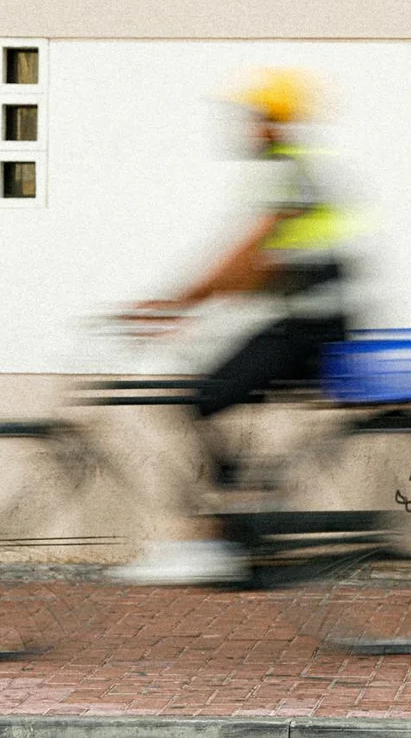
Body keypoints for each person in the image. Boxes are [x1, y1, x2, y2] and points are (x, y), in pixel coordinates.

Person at [108, 69, 355, 585]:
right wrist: (191, 303)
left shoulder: (285, 170)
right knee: (213, 388)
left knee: (203, 398)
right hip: (307, 322)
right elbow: (258, 265)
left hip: (311, 329)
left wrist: (178, 303)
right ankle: (231, 519)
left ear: (274, 122)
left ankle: (221, 532)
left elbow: (249, 258)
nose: (245, 126)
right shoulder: (292, 169)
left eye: (254, 117)